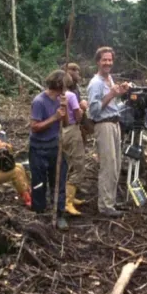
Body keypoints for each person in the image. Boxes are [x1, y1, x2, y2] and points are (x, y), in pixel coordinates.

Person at [87, 46, 130, 217]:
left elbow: (111, 105)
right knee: (107, 165)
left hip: (114, 123)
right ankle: (105, 206)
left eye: (110, 60)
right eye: (104, 60)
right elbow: (94, 111)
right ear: (98, 61)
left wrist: (120, 93)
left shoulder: (109, 79)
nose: (108, 63)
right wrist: (111, 94)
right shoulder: (95, 83)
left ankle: (110, 201)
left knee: (116, 164)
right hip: (103, 125)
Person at [29, 69, 71, 230]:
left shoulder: (61, 100)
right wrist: (54, 117)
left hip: (55, 146)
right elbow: (35, 127)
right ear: (59, 85)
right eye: (66, 86)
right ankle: (39, 213)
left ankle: (59, 213)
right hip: (38, 148)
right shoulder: (39, 101)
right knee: (39, 182)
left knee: (59, 180)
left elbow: (66, 124)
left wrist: (64, 111)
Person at [61, 65, 87, 216]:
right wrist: (82, 109)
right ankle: (67, 202)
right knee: (78, 164)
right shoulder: (70, 96)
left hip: (63, 132)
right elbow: (78, 116)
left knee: (69, 163)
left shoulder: (57, 96)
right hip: (72, 130)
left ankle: (70, 195)